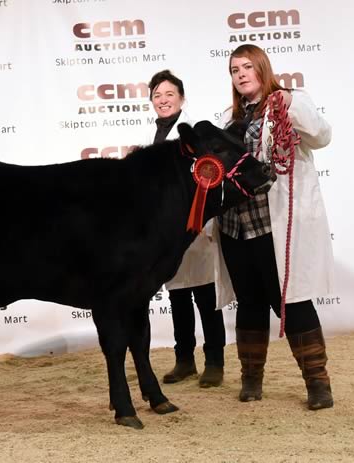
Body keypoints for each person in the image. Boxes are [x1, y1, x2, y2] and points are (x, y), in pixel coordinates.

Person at [214, 44, 334, 409]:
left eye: (248, 67)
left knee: (292, 302)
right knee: (249, 303)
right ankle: (251, 379)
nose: (241, 74)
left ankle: (317, 383)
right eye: (235, 70)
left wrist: (289, 102)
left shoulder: (288, 104)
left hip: (274, 225)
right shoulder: (227, 120)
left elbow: (322, 136)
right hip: (235, 227)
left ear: (263, 69)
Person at [146, 70, 226, 388]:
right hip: (170, 231)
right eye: (157, 96)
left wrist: (206, 222)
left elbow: (213, 182)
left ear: (182, 98)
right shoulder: (152, 136)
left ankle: (215, 361)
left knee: (207, 298)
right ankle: (184, 361)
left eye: (169, 94)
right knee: (178, 297)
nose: (163, 100)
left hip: (200, 230)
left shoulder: (198, 135)